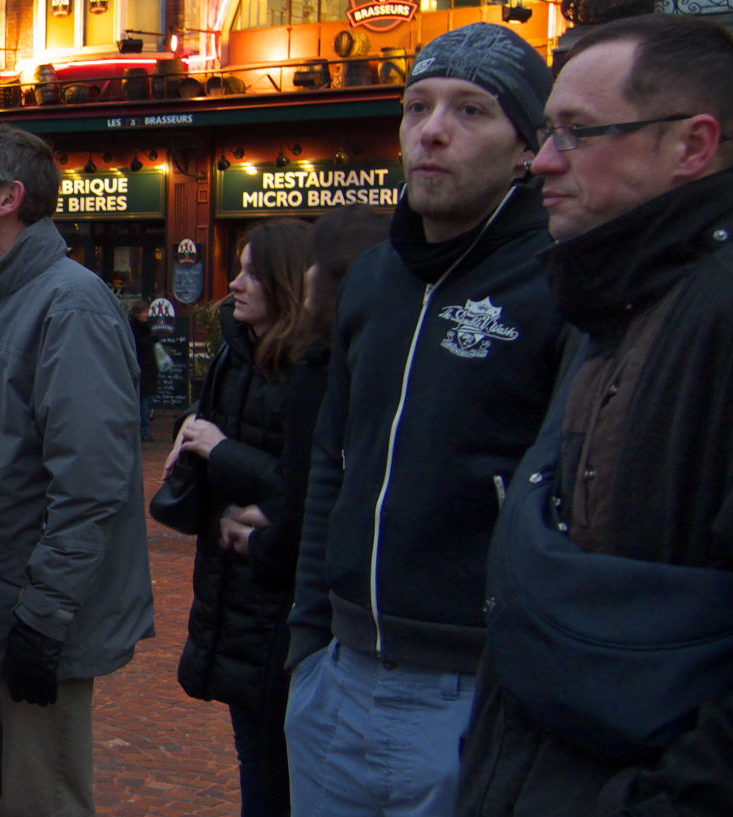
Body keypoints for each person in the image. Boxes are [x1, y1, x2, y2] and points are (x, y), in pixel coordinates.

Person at [284, 24, 572, 817]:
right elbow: (331, 466)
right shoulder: (375, 279)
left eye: (471, 110)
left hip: (476, 689)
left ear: (527, 146)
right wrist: (306, 647)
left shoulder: (556, 280)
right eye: (417, 108)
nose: (433, 130)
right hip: (339, 679)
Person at [459, 15, 733, 816]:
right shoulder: (604, 303)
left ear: (692, 144)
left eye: (578, 133)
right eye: (548, 131)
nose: (542, 159)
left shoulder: (711, 310)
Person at [0, 123, 155, 817]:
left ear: (9, 197)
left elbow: (91, 479)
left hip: (34, 613)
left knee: (38, 799)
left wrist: (45, 616)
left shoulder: (70, 302)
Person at [169, 218, 314, 817]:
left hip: (280, 588)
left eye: (253, 271)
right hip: (232, 578)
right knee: (254, 750)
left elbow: (315, 479)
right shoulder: (233, 353)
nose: (233, 283)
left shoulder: (312, 367)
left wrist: (221, 450)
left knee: (281, 758)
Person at [129, 299, 160, 441]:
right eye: (144, 312)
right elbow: (139, 346)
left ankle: (143, 430)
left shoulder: (144, 327)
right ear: (137, 314)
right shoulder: (135, 329)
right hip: (141, 367)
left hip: (147, 368)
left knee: (144, 400)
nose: (147, 314)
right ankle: (143, 431)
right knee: (142, 401)